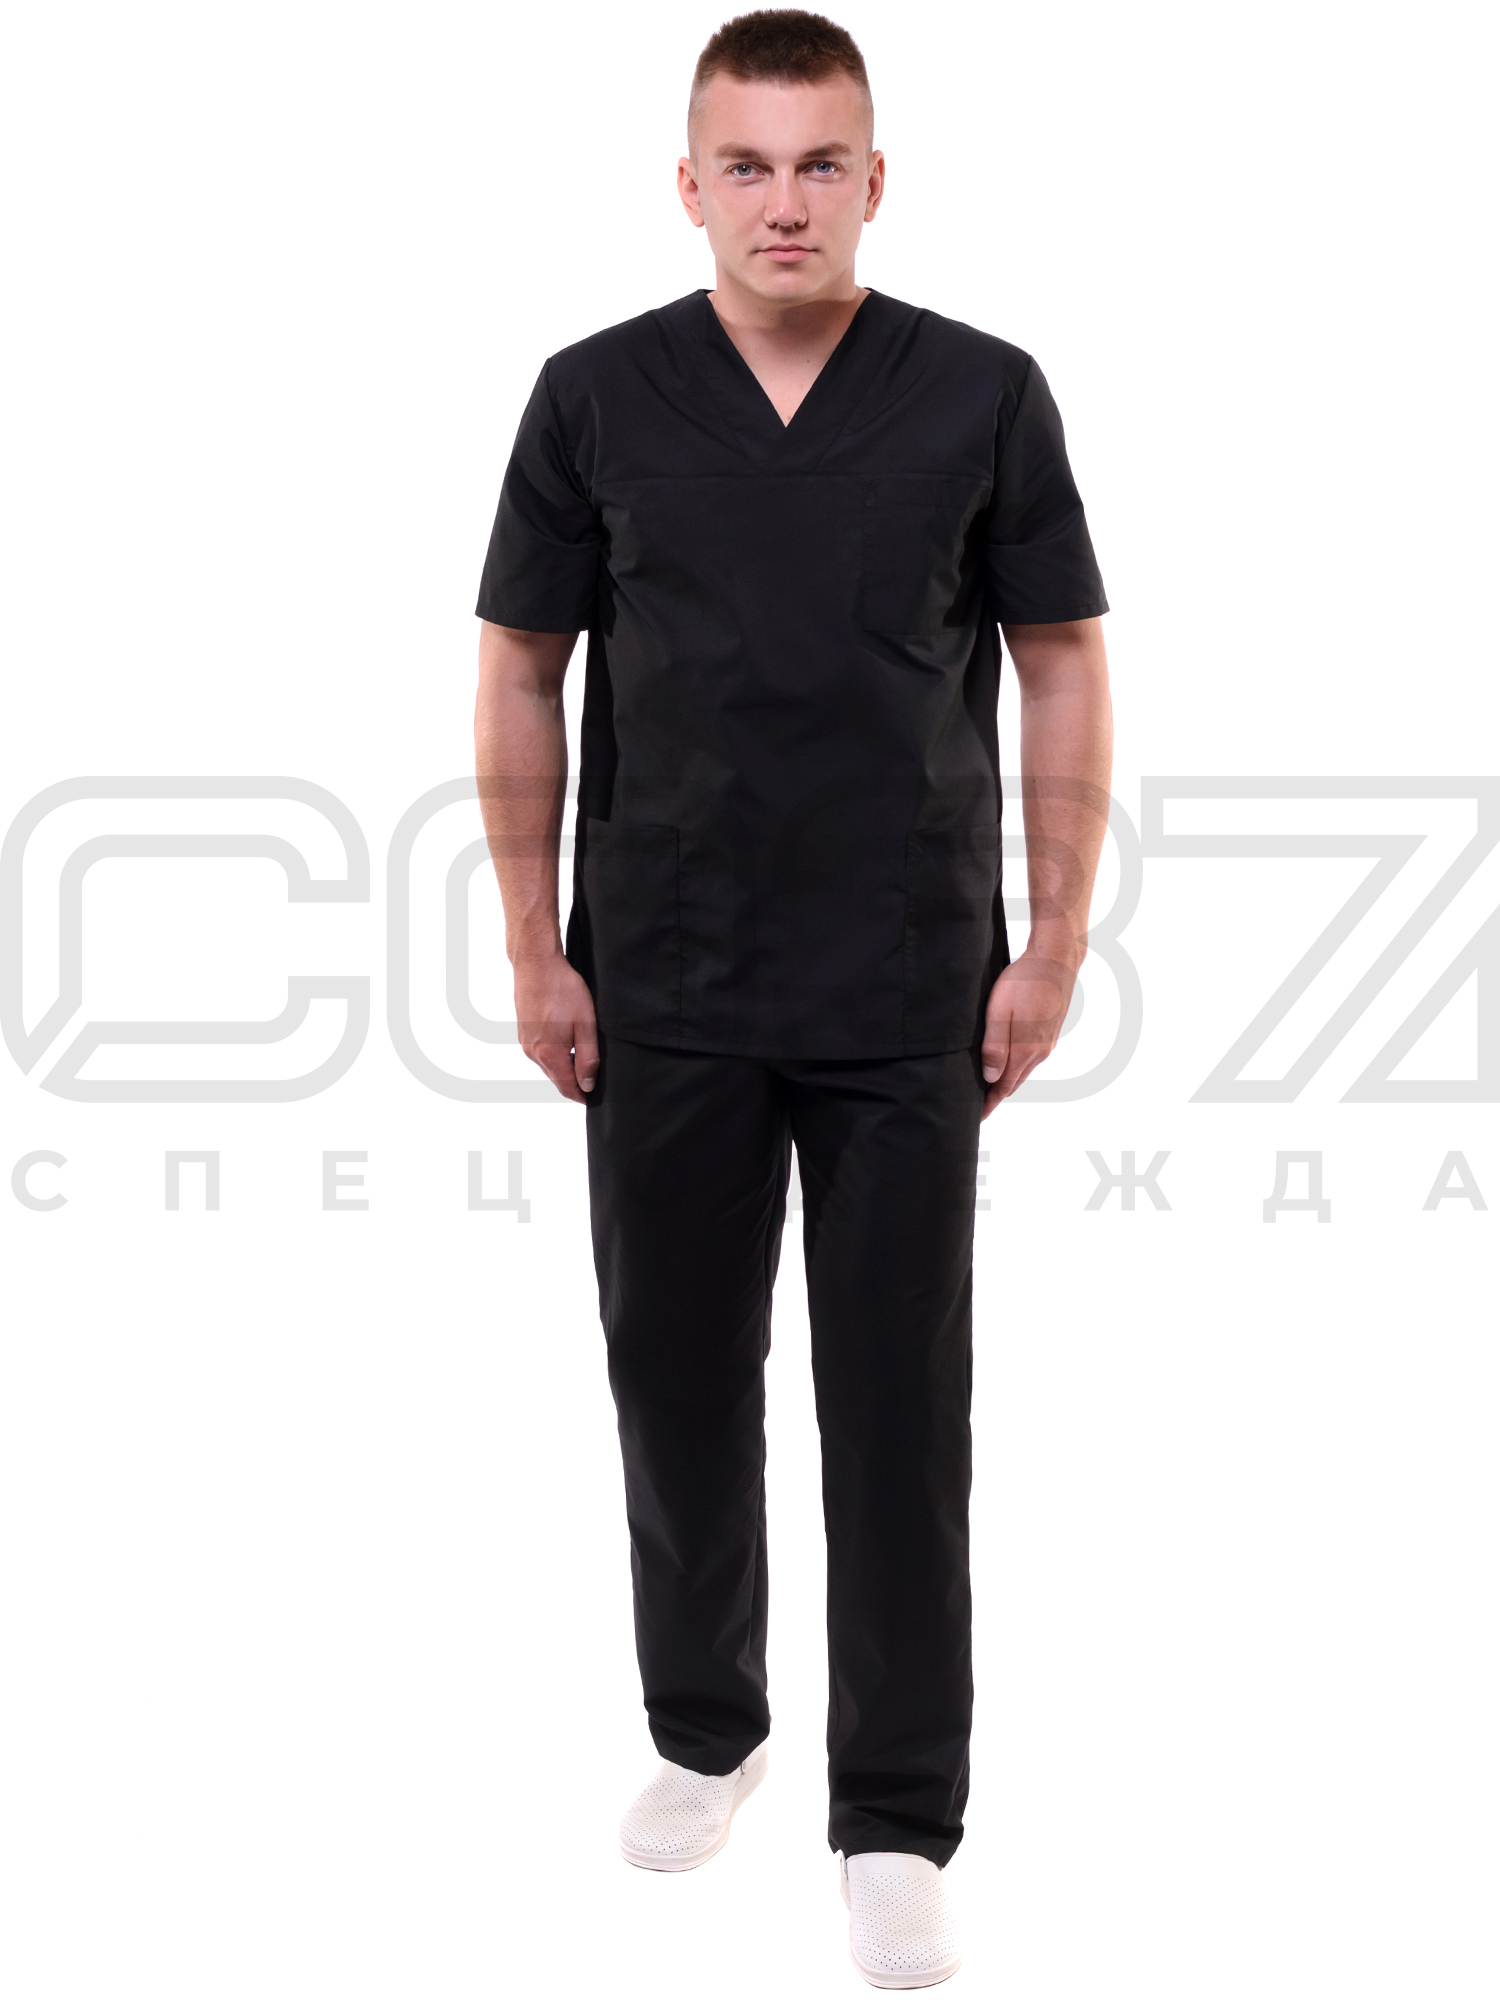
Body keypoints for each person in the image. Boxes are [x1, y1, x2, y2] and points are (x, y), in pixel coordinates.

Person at [474, 10, 1111, 1987]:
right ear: (688, 185)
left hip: (907, 979)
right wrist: (533, 942)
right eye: (745, 165)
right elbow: (520, 670)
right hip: (662, 975)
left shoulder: (980, 394)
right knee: (672, 1375)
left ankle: (898, 1813)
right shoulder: (596, 396)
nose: (784, 201)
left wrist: (1054, 939)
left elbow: (1061, 660)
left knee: (898, 1406)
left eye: (820, 162)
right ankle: (708, 1727)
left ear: (875, 179)